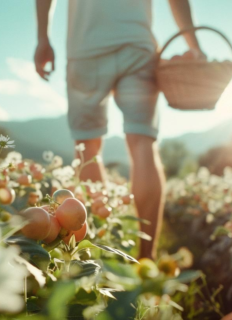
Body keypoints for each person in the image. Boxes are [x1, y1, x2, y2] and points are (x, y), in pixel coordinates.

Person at [34, 0, 205, 260]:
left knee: (87, 147)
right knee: (143, 143)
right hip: (137, 46)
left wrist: (43, 38)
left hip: (85, 48)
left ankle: (99, 252)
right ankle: (147, 260)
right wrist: (194, 45)